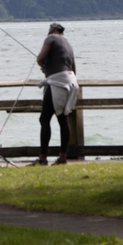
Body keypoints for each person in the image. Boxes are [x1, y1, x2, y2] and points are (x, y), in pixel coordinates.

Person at [29, 22, 79, 166]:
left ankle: (43, 159)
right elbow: (73, 68)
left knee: (44, 120)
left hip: (58, 83)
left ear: (52, 30)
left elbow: (40, 58)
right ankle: (63, 158)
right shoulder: (68, 43)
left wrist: (42, 65)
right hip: (71, 81)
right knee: (63, 120)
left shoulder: (51, 38)